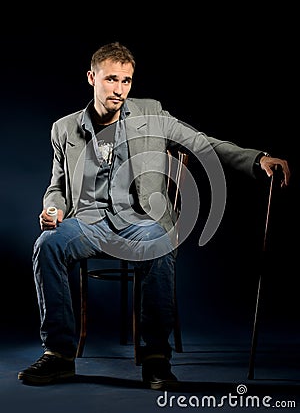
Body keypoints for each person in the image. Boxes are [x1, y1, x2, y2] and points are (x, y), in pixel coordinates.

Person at [18, 41, 290, 390]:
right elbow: (56, 185)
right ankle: (58, 355)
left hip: (139, 222)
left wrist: (257, 159)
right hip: (87, 222)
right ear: (92, 77)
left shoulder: (153, 114)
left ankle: (155, 357)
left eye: (126, 81)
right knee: (48, 244)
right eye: (111, 79)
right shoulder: (64, 129)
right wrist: (52, 208)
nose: (119, 90)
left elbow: (203, 143)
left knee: (159, 239)